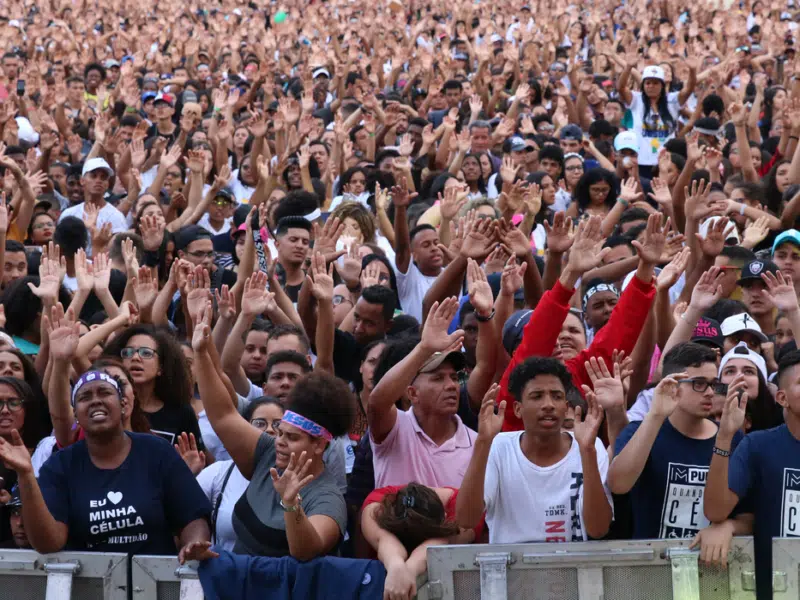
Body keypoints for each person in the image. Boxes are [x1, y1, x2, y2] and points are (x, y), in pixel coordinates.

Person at [193, 301, 356, 558]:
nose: (279, 441)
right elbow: (223, 414)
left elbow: (306, 551)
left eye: (292, 437)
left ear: (319, 444)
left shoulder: (327, 497)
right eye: (280, 432)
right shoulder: (268, 454)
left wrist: (292, 505)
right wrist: (201, 353)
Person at [0, 369, 213, 558]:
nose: (95, 400)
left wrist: (194, 544)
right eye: (85, 397)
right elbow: (49, 543)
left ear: (122, 405)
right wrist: (25, 474)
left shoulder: (157, 451)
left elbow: (193, 515)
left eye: (104, 393)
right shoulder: (59, 466)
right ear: (76, 414)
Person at [456, 360, 612, 543]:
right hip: (510, 569)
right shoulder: (498, 447)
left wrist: (587, 451)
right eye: (537, 396)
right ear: (517, 409)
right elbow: (466, 520)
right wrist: (483, 441)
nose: (548, 404)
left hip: (572, 569)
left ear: (566, 406)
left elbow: (598, 529)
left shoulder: (590, 447)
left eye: (556, 396)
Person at [609, 342, 742, 539]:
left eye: (713, 384)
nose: (710, 392)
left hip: (712, 563)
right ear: (672, 384)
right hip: (653, 563)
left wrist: (729, 526)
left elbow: (748, 512)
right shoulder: (640, 430)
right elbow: (618, 484)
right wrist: (655, 415)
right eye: (699, 383)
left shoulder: (731, 436)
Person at [367, 298, 476, 489]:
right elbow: (377, 403)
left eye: (453, 377)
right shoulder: (395, 428)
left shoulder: (476, 443)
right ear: (412, 393)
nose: (451, 385)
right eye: (438, 378)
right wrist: (424, 348)